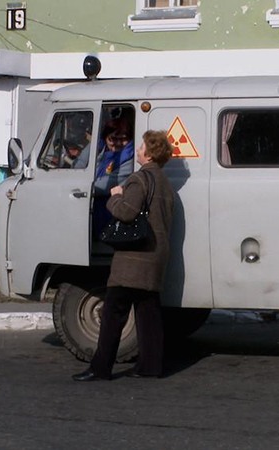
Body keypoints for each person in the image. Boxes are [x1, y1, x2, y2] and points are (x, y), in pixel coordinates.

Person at [73, 130, 175, 381]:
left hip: (133, 259)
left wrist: (115, 197)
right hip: (155, 256)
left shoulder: (139, 179)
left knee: (113, 313)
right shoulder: (164, 182)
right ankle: (151, 367)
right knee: (147, 313)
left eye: (141, 147)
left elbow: (127, 213)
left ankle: (100, 368)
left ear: (149, 154)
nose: (138, 150)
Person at [92, 119, 135, 237]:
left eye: (122, 139)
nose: (117, 143)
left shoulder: (130, 160)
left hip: (111, 215)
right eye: (112, 139)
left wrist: (83, 188)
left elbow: (104, 186)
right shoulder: (103, 154)